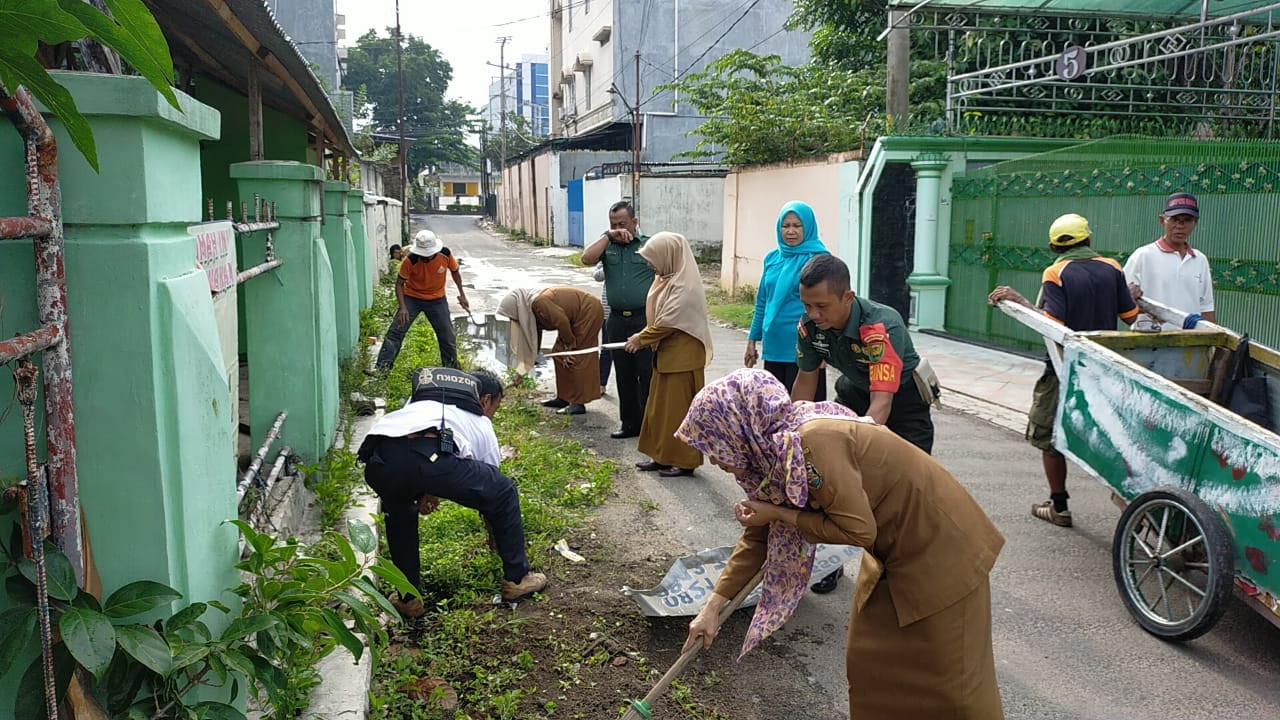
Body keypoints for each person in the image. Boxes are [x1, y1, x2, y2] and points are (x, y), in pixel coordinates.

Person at [676, 370, 1005, 719]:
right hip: (891, 552)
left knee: (954, 682)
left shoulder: (812, 442)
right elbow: (760, 533)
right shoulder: (772, 455)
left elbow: (857, 530)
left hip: (942, 547)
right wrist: (712, 607)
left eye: (716, 447)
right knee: (871, 662)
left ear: (741, 429)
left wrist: (778, 513)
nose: (715, 461)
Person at [358, 367, 548, 617]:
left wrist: (428, 492)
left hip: (378, 460)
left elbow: (412, 455)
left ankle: (409, 598)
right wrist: (497, 540)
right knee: (505, 490)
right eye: (495, 408)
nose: (491, 415)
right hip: (427, 461)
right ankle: (517, 579)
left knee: (400, 514)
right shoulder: (479, 421)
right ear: (485, 400)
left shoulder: (418, 403)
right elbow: (491, 491)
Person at [988, 213, 1138, 527]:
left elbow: (1053, 325)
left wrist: (1020, 301)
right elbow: (1130, 315)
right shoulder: (1113, 268)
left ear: (1053, 247)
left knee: (1048, 434)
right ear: (1089, 240)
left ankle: (1059, 505)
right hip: (1103, 368)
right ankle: (1131, 502)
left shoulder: (1056, 272)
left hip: (1064, 367)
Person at [791, 255, 933, 454]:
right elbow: (805, 382)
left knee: (912, 477)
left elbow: (882, 401)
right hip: (856, 392)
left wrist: (858, 449)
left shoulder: (880, 327)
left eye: (822, 306)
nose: (813, 314)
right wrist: (791, 433)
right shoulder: (809, 327)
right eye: (807, 305)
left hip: (902, 402)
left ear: (848, 297)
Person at [622, 231, 713, 477]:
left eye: (653, 258)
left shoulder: (684, 285)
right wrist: (645, 336)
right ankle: (662, 456)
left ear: (668, 256)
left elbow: (669, 322)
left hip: (682, 360)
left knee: (678, 413)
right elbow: (661, 318)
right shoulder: (666, 279)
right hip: (666, 357)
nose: (649, 263)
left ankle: (684, 461)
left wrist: (641, 339)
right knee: (659, 410)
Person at [581, 201, 655, 439]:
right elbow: (586, 258)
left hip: (643, 318)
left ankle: (649, 425)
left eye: (622, 223)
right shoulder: (608, 246)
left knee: (646, 374)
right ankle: (629, 424)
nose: (618, 228)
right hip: (616, 319)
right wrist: (607, 235)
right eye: (613, 224)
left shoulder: (648, 245)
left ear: (635, 222)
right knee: (623, 374)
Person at [744, 201, 829, 401]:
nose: (790, 231)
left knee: (803, 409)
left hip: (804, 345)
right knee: (774, 409)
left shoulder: (819, 260)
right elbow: (763, 301)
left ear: (807, 227)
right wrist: (752, 339)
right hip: (774, 344)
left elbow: (826, 307)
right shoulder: (772, 258)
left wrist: (824, 349)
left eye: (797, 226)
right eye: (786, 226)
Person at [498, 286, 604, 415]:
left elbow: (562, 321)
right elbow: (534, 338)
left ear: (517, 308)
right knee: (559, 354)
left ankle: (578, 403)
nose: (513, 320)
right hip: (572, 319)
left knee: (576, 355)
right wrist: (523, 369)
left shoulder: (539, 302)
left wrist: (569, 347)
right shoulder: (529, 311)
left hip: (588, 311)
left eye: (513, 316)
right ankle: (564, 397)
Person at [376, 230, 470, 371]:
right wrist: (403, 308)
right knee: (396, 331)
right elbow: (399, 284)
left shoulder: (445, 254)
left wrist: (462, 294)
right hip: (412, 298)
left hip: (437, 299)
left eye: (428, 255)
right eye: (422, 255)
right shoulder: (410, 260)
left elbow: (455, 272)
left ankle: (451, 370)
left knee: (447, 336)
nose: (425, 258)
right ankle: (382, 368)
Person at [1124, 191, 1215, 325]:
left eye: (1187, 220)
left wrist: (1213, 340)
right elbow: (1123, 302)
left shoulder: (1199, 259)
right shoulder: (1143, 255)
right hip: (1150, 339)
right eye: (1174, 219)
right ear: (1162, 221)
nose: (1180, 226)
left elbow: (1206, 307)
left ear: (1195, 223)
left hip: (1190, 341)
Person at [594, 260, 613, 395]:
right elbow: (597, 276)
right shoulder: (608, 253)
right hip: (608, 311)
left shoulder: (637, 250)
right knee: (607, 349)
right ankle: (601, 383)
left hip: (634, 312)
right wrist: (612, 266)